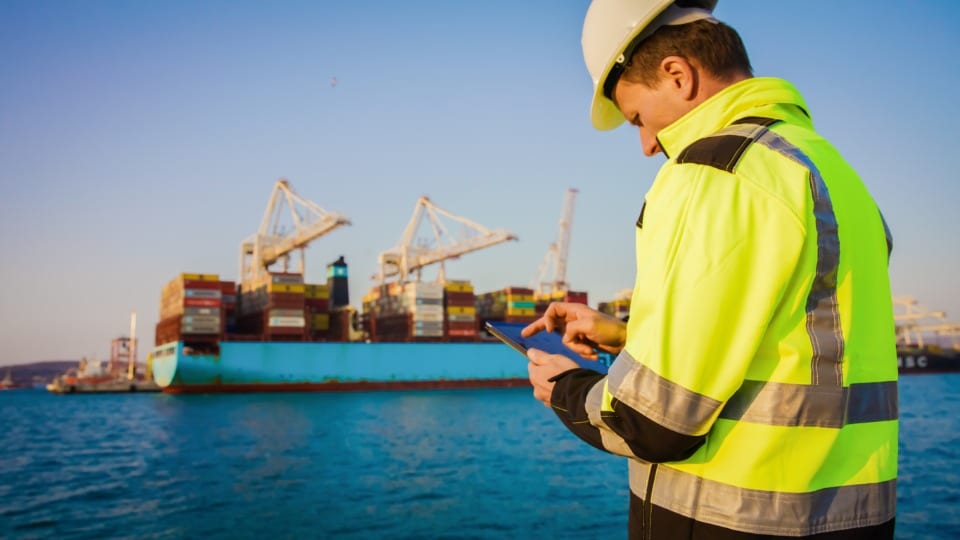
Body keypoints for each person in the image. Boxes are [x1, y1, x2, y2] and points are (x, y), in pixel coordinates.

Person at [521, 1, 898, 538]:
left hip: (731, 524)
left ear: (677, 75)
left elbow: (654, 423)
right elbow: (798, 348)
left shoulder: (716, 171)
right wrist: (629, 336)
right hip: (854, 520)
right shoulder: (832, 171)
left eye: (638, 119)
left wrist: (565, 388)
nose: (648, 145)